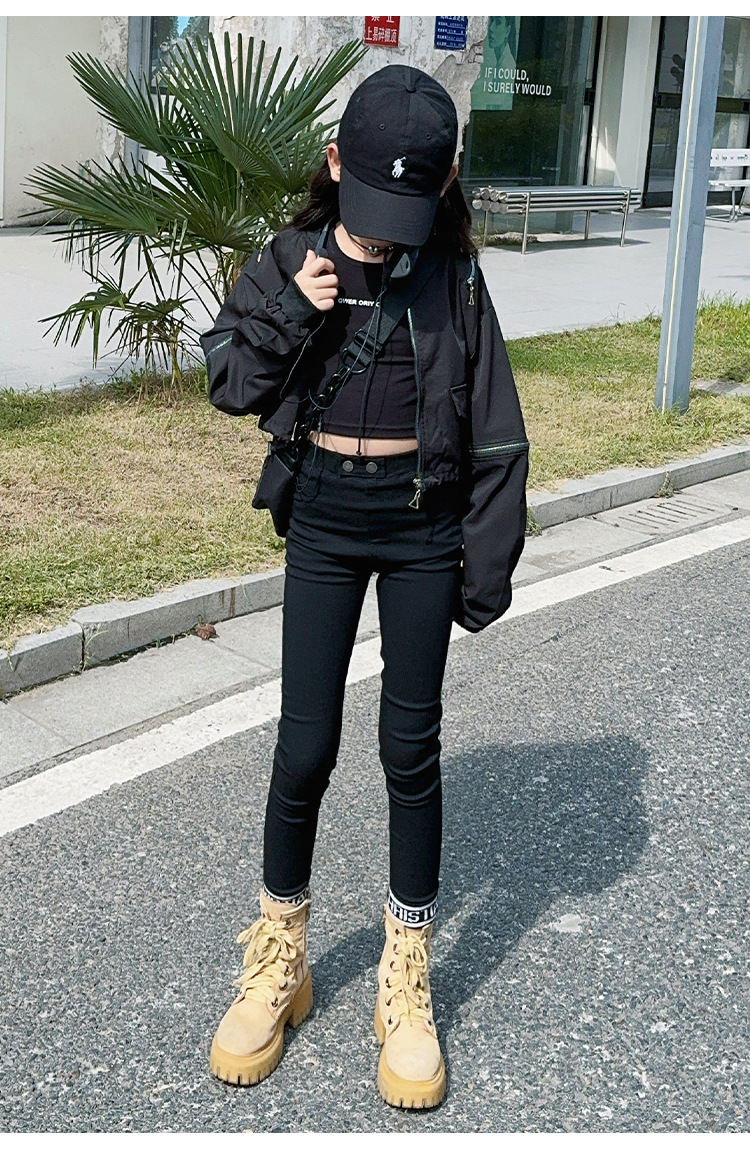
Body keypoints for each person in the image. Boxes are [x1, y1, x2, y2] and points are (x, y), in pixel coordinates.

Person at [200, 64, 529, 1109]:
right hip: (326, 521)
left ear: (446, 182)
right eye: (371, 202)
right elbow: (229, 382)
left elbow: (498, 429)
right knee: (304, 747)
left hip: (422, 527)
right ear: (335, 162)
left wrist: (485, 565)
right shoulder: (290, 257)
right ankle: (280, 955)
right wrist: (290, 313)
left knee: (409, 750)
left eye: (410, 208)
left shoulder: (455, 276)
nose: (388, 233)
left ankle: (406, 975)